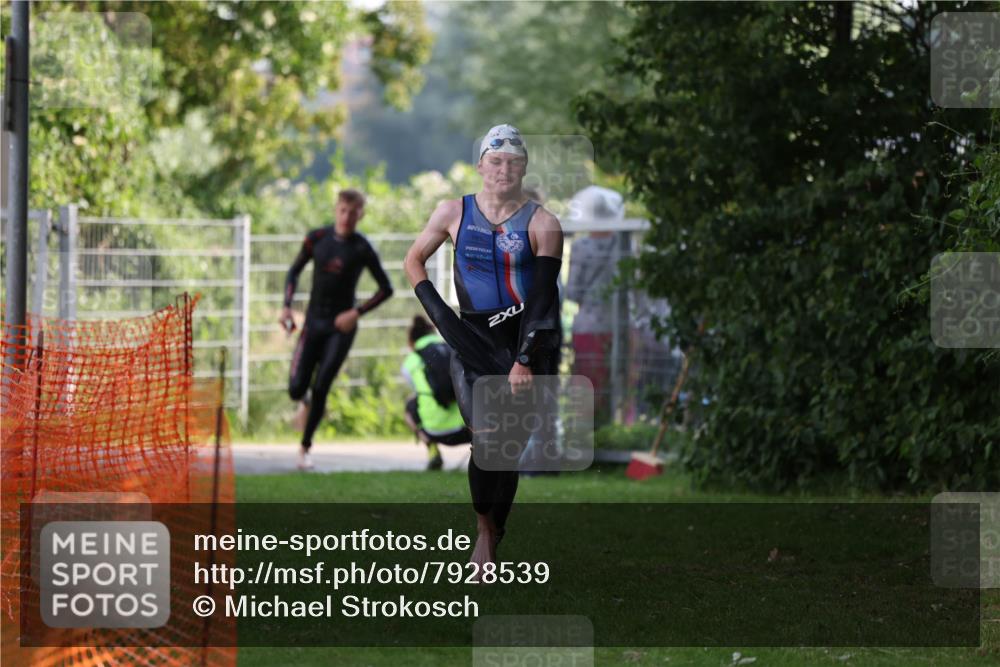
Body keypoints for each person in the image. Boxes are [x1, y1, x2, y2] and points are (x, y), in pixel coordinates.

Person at [403, 124, 564, 577]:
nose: (503, 170)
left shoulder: (544, 224)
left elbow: (542, 300)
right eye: (495, 161)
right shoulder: (453, 212)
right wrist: (442, 318)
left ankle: (496, 531)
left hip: (526, 344)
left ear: (523, 168)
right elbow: (413, 259)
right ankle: (484, 533)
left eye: (513, 162)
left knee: (507, 450)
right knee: (485, 442)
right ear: (481, 166)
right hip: (472, 343)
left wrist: (526, 359)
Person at [281, 189, 394, 470]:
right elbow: (293, 272)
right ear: (336, 209)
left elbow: (386, 288)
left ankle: (305, 448)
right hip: (313, 323)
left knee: (322, 386)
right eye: (343, 210)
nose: (346, 217)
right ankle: (303, 403)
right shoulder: (317, 238)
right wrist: (286, 307)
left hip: (340, 328)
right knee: (296, 389)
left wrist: (356, 312)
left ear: (361, 215)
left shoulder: (362, 248)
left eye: (353, 212)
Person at [401, 315, 473, 470]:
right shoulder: (454, 349)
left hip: (434, 430)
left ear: (412, 341)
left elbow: (419, 390)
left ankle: (432, 450)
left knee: (410, 405)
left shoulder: (411, 361)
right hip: (469, 429)